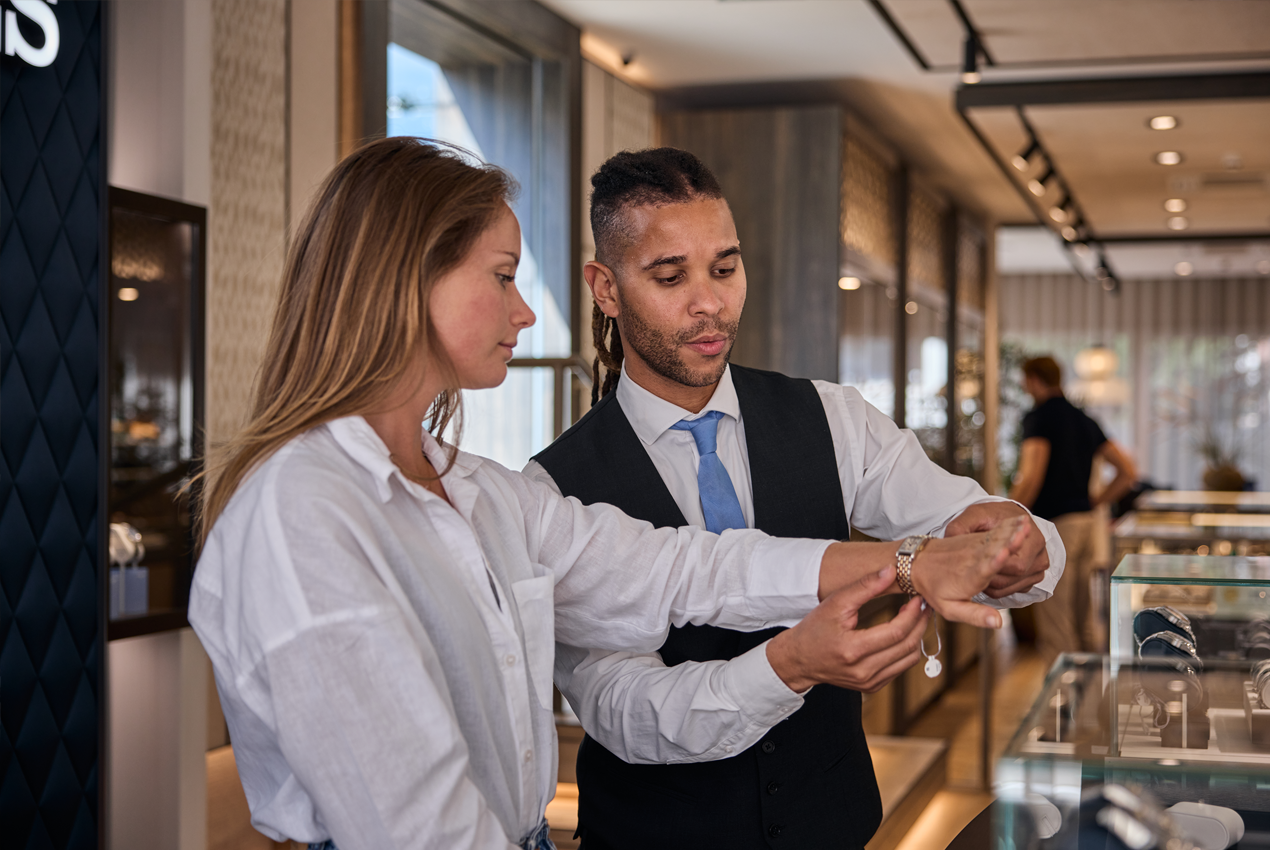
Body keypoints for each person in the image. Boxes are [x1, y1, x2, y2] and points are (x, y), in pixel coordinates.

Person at [188, 138, 1032, 850]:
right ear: (406, 281)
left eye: (724, 266)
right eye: (504, 277)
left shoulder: (477, 491)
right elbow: (414, 821)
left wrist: (912, 560)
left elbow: (682, 569)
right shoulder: (303, 511)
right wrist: (831, 628)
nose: (525, 313)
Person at [524, 148, 1065, 850]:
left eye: (725, 268)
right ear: (605, 288)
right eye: (670, 276)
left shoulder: (833, 417)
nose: (709, 302)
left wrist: (1018, 542)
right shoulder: (551, 490)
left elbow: (977, 521)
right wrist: (791, 666)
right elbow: (626, 713)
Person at [1010, 355, 1137, 663]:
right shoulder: (1084, 419)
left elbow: (1032, 476)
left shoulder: (1040, 418)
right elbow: (1127, 470)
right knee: (1084, 614)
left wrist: (1006, 513)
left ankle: (1061, 690)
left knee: (1056, 615)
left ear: (1033, 380)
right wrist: (1096, 501)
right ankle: (1089, 686)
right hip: (1085, 523)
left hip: (1055, 527)